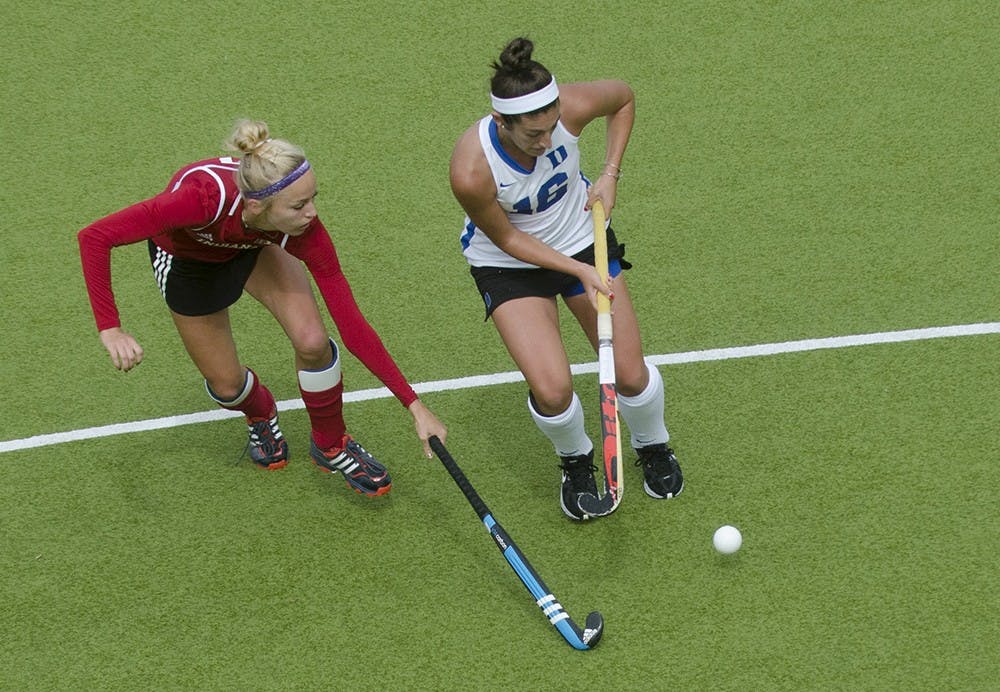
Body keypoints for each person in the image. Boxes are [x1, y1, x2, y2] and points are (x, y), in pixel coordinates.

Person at [79, 119, 446, 496]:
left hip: (254, 245)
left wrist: (415, 407)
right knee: (227, 385)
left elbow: (352, 326)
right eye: (300, 205)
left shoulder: (302, 231)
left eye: (314, 198)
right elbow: (95, 237)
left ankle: (330, 444)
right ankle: (260, 411)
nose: (313, 213)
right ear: (257, 205)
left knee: (313, 341)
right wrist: (110, 327)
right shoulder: (200, 199)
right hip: (188, 264)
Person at [449, 38, 682, 520]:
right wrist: (577, 270)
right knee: (552, 390)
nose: (546, 141)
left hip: (582, 239)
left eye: (552, 127)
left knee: (631, 373)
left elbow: (623, 98)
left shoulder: (569, 109)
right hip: (510, 264)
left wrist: (610, 172)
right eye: (533, 134)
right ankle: (576, 460)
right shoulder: (471, 171)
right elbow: (510, 240)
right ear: (501, 123)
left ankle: (652, 444)